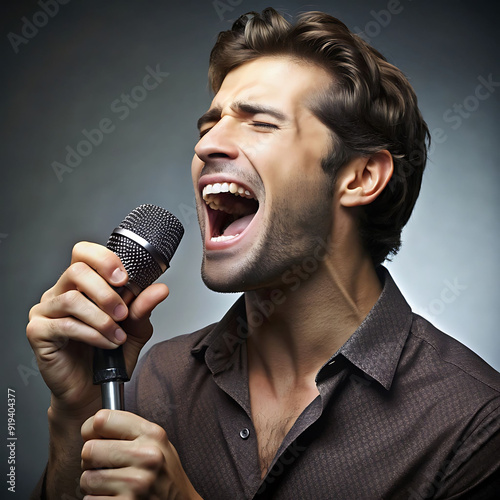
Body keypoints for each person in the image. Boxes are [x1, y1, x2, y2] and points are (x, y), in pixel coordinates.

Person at [27, 7, 500, 500]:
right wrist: (75, 412)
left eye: (259, 124)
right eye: (209, 125)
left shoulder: (472, 422)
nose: (208, 143)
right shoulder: (157, 380)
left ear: (360, 177)